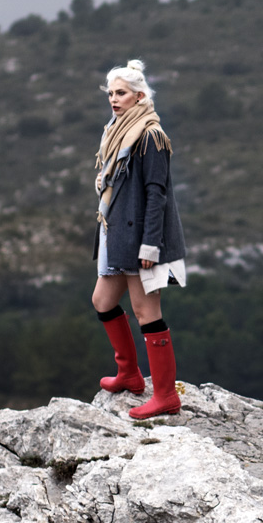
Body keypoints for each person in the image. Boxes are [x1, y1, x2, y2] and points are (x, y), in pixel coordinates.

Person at [91, 59, 188, 419]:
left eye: (121, 93)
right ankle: (129, 374)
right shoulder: (117, 130)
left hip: (143, 239)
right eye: (111, 93)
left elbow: (156, 194)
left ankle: (165, 395)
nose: (114, 99)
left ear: (140, 96)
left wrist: (150, 246)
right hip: (118, 233)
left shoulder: (150, 136)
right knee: (103, 301)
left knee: (146, 312)